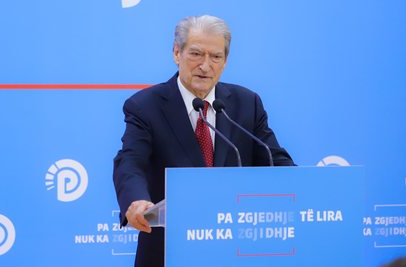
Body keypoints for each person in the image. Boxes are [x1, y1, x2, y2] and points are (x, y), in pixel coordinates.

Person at [113, 15, 295, 267]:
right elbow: (131, 161)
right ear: (177, 53)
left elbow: (273, 159)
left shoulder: (246, 103)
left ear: (225, 61)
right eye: (196, 54)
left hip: (235, 249)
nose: (205, 65)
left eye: (216, 56)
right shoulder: (145, 106)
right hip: (169, 250)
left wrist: (307, 189)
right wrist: (136, 201)